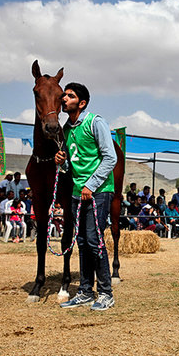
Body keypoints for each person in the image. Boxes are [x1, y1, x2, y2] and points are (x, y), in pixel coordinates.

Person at [55, 82, 117, 311]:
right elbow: (74, 165)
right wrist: (62, 164)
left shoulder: (95, 122)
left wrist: (90, 185)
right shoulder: (67, 129)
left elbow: (110, 158)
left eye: (69, 96)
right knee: (81, 242)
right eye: (64, 95)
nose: (64, 99)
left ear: (81, 103)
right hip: (76, 193)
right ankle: (84, 291)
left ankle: (106, 293)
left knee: (94, 241)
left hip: (98, 192)